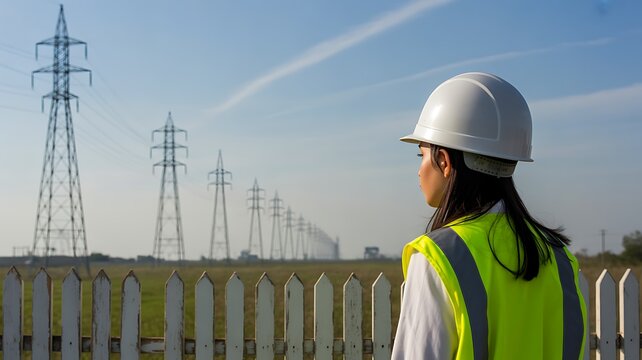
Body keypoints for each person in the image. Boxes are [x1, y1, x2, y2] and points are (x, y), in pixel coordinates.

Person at [391, 72, 586, 359]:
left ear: (443, 161)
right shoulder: (560, 259)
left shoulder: (439, 258)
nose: (420, 170)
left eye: (421, 155)